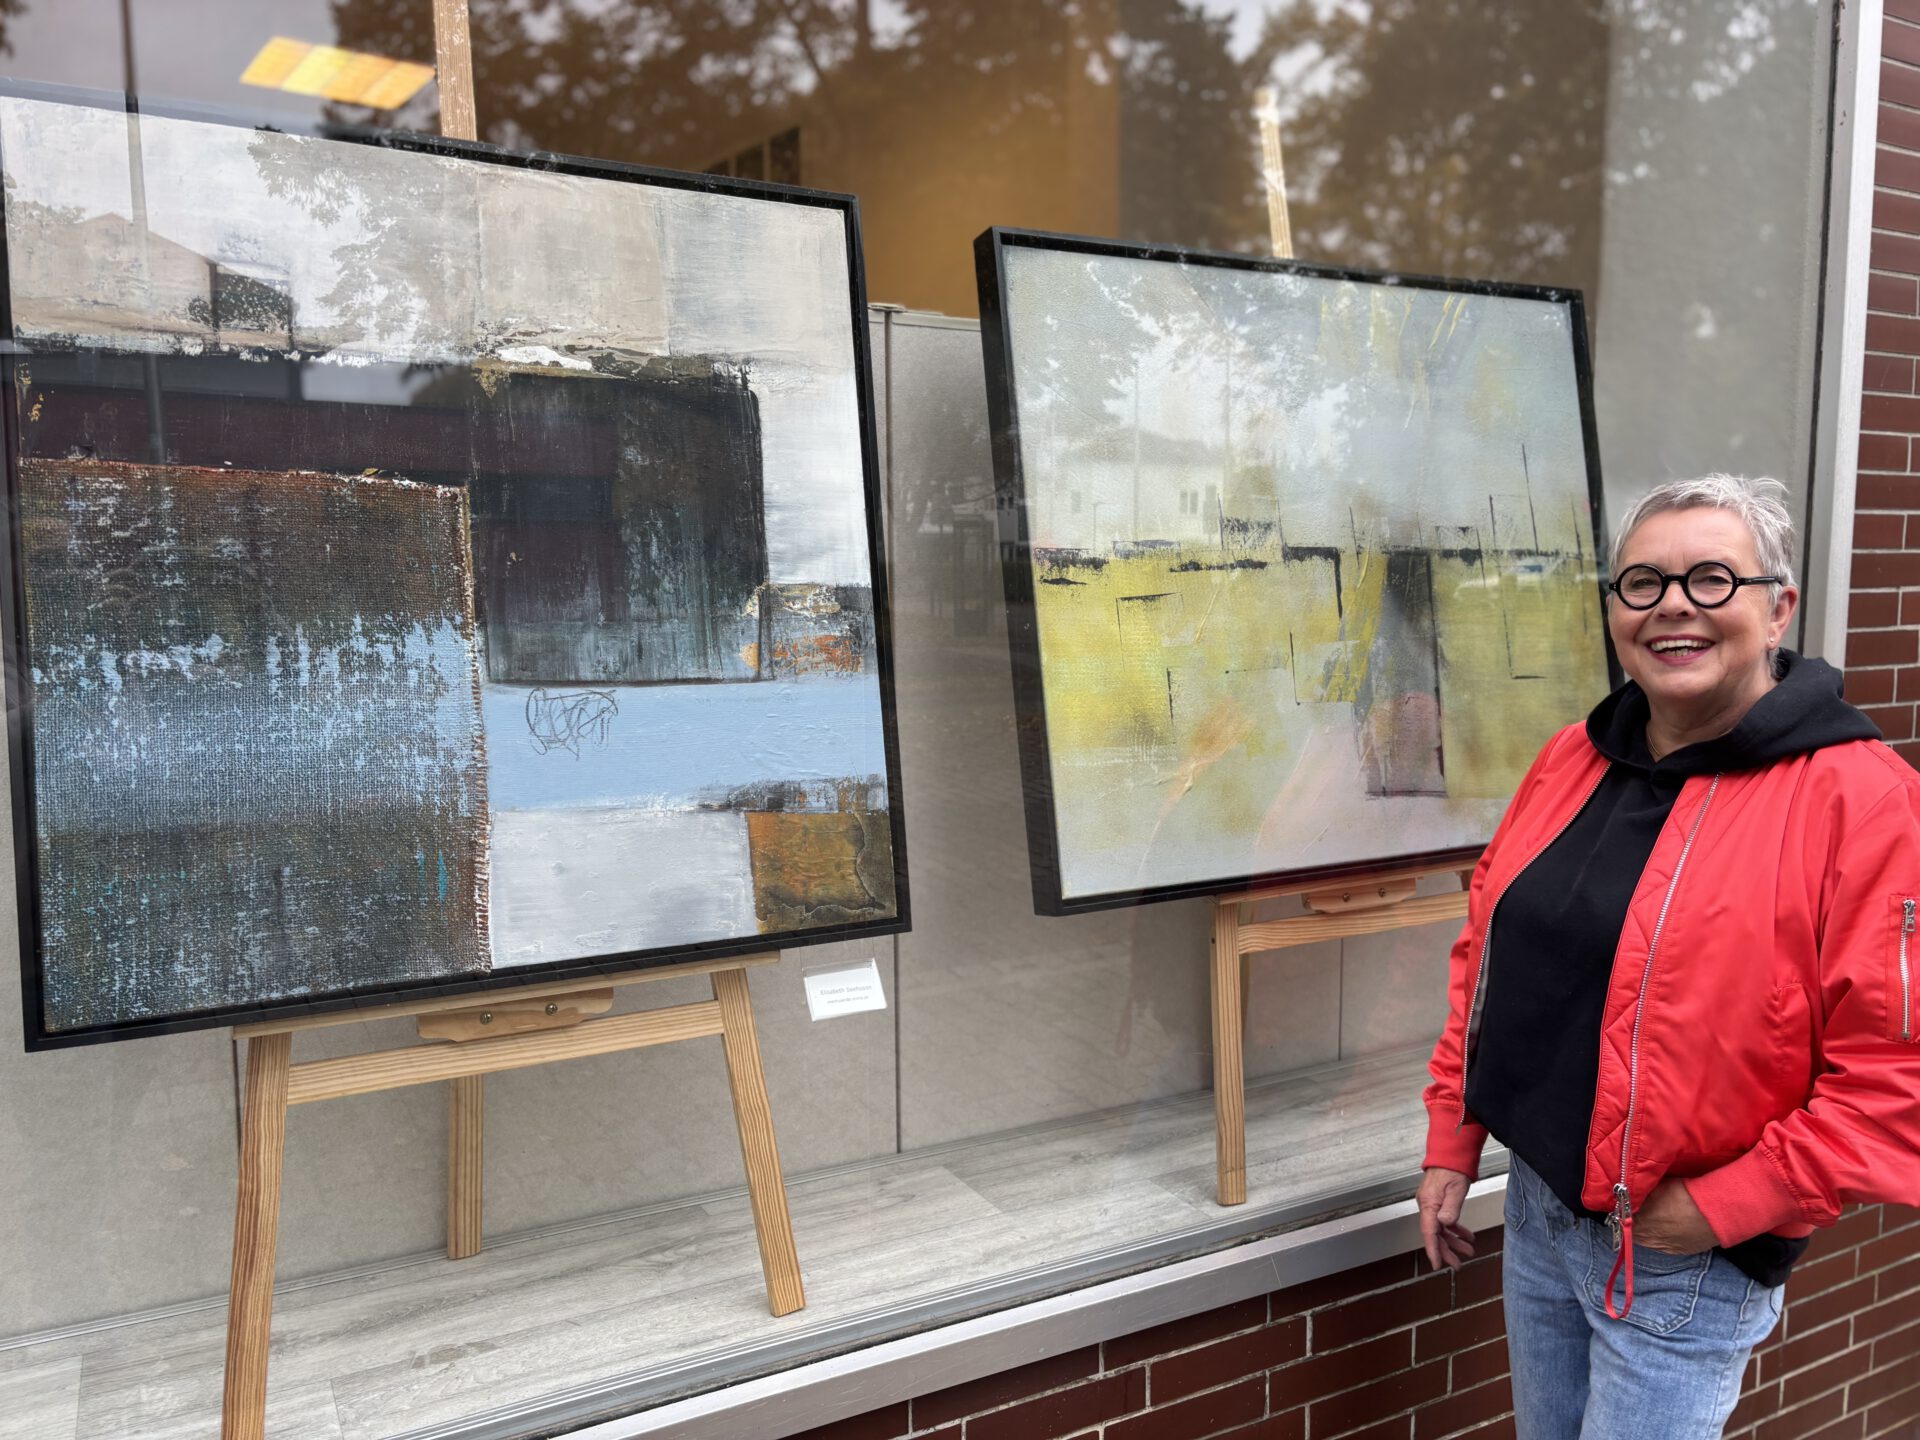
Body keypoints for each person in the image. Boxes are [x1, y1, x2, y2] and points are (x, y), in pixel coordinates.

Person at [1415, 474, 1920, 1439]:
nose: (1673, 605)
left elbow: (1894, 1079)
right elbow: (1489, 962)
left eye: (1713, 579)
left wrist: (1727, 1207)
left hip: (1683, 1253)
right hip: (1541, 1209)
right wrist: (1454, 1137)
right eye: (1641, 582)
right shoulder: (1572, 757)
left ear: (1779, 609)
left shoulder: (1863, 800)